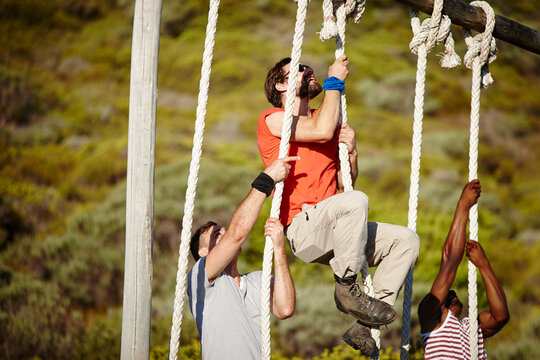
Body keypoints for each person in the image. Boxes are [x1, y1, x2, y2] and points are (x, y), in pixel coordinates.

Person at [257, 55, 420, 356]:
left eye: (308, 68)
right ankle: (346, 287)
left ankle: (364, 324)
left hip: (338, 228)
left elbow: (347, 184)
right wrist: (334, 81)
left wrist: (353, 152)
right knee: (355, 202)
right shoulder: (272, 120)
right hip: (303, 227)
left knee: (406, 241)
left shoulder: (327, 116)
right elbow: (319, 130)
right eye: (299, 70)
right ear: (281, 85)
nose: (308, 71)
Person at [187, 157, 298, 360]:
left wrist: (279, 248)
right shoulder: (200, 279)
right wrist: (267, 179)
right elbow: (236, 234)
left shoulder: (257, 281)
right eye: (215, 235)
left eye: (223, 231)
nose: (224, 233)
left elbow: (285, 308)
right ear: (203, 254)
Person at [418, 179, 510, 359]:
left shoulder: (471, 328)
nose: (450, 292)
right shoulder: (431, 324)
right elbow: (449, 263)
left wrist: (484, 265)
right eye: (446, 295)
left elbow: (500, 317)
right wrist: (463, 205)